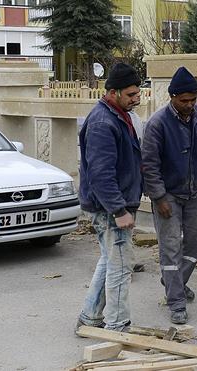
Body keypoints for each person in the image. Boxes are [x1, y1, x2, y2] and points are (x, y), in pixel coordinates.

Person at [141, 66, 197, 325]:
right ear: (172, 97)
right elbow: (149, 165)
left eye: (193, 100)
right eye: (184, 100)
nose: (189, 105)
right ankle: (176, 301)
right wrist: (159, 197)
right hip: (168, 195)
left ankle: (173, 280)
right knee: (171, 246)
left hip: (194, 191)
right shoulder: (157, 124)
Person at [75, 63, 144, 335]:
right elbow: (101, 175)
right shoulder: (104, 123)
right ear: (113, 92)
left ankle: (90, 317)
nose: (136, 98)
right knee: (121, 266)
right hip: (110, 208)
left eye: (138, 93)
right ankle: (117, 325)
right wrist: (119, 210)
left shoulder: (116, 115)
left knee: (109, 261)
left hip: (112, 204)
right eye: (130, 94)